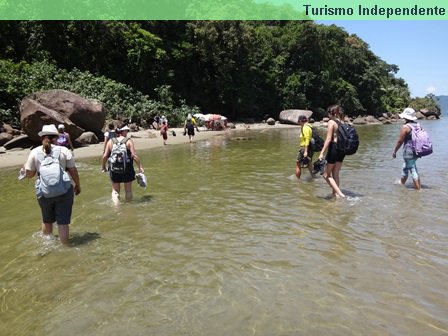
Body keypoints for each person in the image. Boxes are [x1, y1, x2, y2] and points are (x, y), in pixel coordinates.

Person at [23, 124, 81, 245]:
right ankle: (65, 248)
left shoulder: (34, 152)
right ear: (56, 138)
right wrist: (78, 185)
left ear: (42, 137)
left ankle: (47, 246)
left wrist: (24, 169)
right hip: (64, 190)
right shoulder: (64, 150)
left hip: (44, 192)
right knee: (63, 223)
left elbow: (30, 174)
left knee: (47, 220)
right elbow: (73, 170)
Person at [101, 125, 144, 204]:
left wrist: (103, 166)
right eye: (126, 131)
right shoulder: (128, 141)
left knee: (115, 191)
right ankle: (129, 207)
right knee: (128, 191)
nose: (127, 132)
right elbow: (134, 155)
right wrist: (140, 166)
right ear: (123, 131)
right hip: (127, 168)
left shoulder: (111, 141)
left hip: (114, 168)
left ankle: (116, 209)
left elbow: (105, 156)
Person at [318, 104, 346, 198]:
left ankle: (340, 194)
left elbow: (328, 139)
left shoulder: (331, 122)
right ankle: (335, 194)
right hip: (342, 150)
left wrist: (322, 153)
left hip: (334, 148)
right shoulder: (342, 122)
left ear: (331, 113)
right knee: (336, 174)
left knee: (326, 174)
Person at [392, 107, 421, 190]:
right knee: (406, 166)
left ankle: (418, 190)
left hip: (409, 152)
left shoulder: (405, 127)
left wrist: (394, 151)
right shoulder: (417, 125)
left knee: (413, 169)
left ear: (406, 117)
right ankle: (401, 183)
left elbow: (400, 141)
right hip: (416, 151)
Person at [295, 115, 314, 179]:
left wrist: (305, 151)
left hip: (304, 148)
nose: (299, 123)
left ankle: (297, 181)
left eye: (299, 122)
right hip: (311, 148)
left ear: (300, 121)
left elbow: (307, 139)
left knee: (298, 163)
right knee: (309, 163)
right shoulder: (310, 126)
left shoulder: (305, 127)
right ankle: (313, 176)